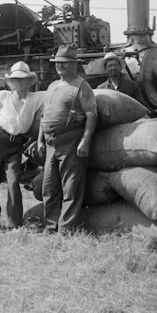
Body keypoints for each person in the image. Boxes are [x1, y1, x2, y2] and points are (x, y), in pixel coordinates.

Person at [37, 45, 98, 235]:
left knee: (71, 187)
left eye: (64, 63)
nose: (59, 67)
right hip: (50, 144)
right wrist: (40, 140)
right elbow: (43, 116)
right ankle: (50, 226)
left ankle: (66, 229)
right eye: (57, 63)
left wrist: (85, 140)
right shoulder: (52, 86)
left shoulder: (81, 85)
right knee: (49, 187)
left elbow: (91, 114)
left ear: (74, 64)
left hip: (70, 142)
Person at [0, 61, 39, 229]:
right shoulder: (3, 96)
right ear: (11, 82)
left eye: (22, 79)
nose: (19, 83)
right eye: (15, 80)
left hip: (15, 147)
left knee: (13, 182)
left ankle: (14, 224)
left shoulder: (34, 100)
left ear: (28, 81)